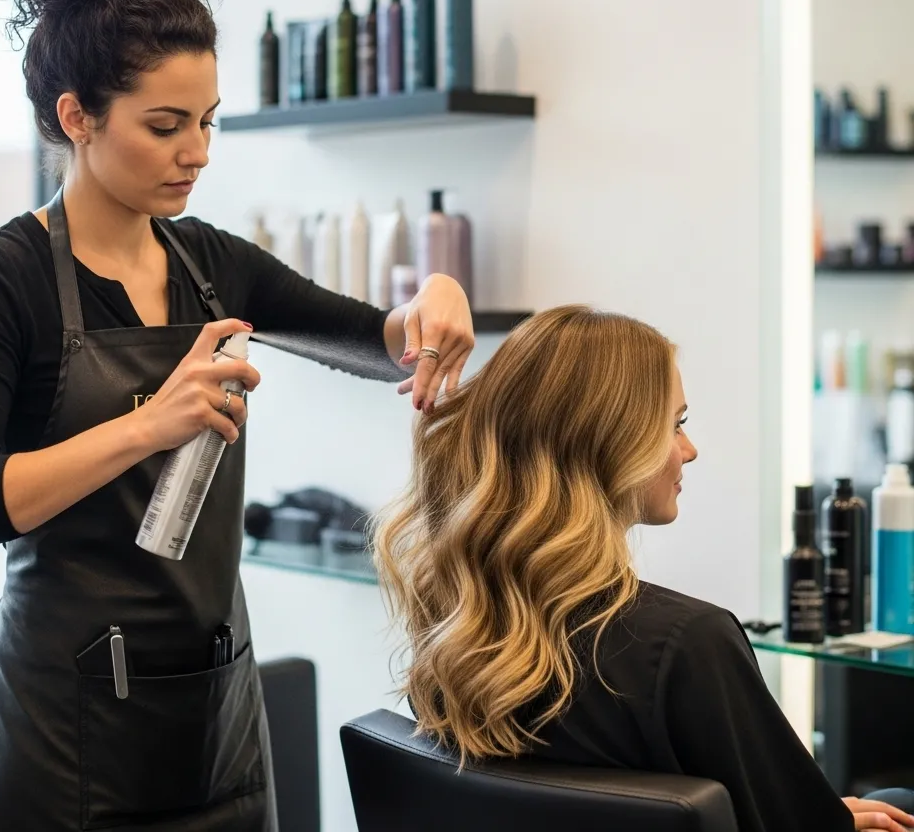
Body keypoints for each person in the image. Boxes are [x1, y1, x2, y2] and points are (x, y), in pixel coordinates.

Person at [0, 0, 474, 832]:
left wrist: (435, 299)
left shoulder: (213, 264)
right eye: (166, 125)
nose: (198, 152)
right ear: (76, 116)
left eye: (208, 122)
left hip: (213, 720)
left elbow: (382, 341)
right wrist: (144, 425)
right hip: (58, 737)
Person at [375, 305, 914, 832]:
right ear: (610, 444)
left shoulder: (456, 625)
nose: (690, 449)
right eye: (674, 425)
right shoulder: (685, 644)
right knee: (896, 800)